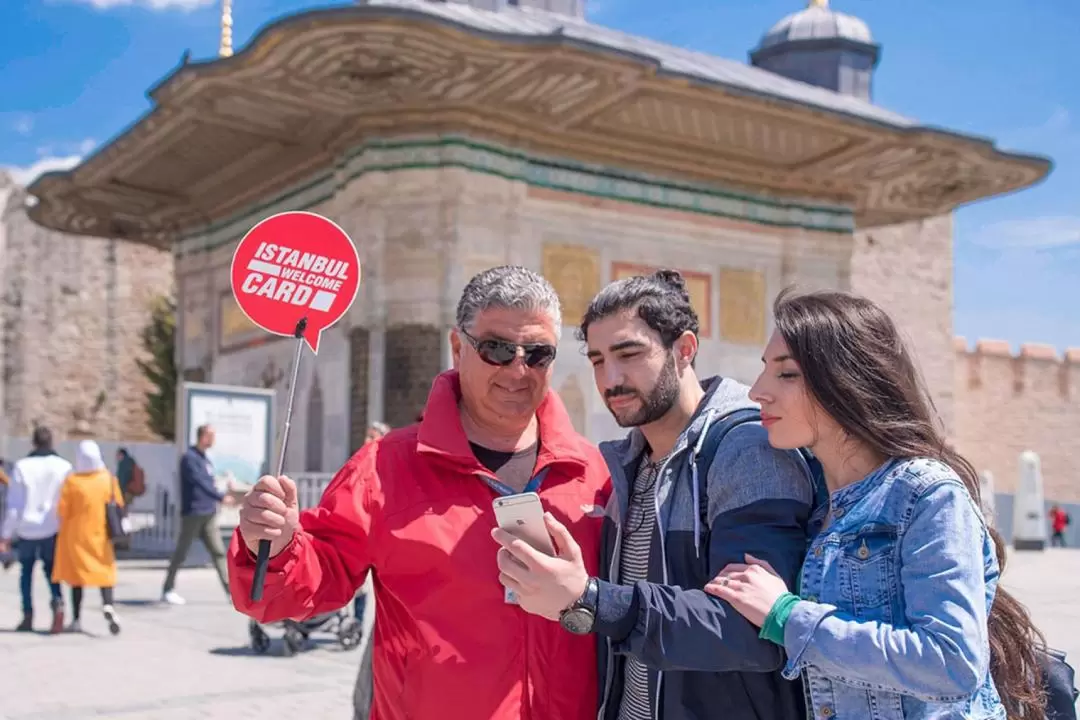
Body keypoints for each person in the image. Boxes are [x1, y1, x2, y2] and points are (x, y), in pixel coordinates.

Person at [229, 266, 611, 720]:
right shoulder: (383, 469)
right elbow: (300, 590)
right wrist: (271, 545)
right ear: (457, 348)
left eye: (538, 354)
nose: (518, 369)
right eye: (497, 349)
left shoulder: (595, 473)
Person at [704, 289, 1048, 719]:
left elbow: (951, 663)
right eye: (764, 372)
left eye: (787, 374)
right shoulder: (813, 500)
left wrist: (787, 615)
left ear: (844, 380)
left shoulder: (927, 494)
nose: (758, 391)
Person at [496, 270, 817, 720]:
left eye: (629, 354)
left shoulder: (746, 449)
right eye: (597, 360)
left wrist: (588, 597)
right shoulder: (627, 465)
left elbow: (752, 631)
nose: (611, 379)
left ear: (684, 350)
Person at [0, 426, 73, 633]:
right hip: (53, 527)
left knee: (26, 574)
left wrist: (5, 535)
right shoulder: (64, 467)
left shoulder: (22, 467)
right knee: (52, 572)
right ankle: (58, 603)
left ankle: (28, 615)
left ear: (33, 443)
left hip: (27, 528)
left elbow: (14, 505)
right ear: (52, 443)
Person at [52, 440, 125, 635]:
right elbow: (118, 503)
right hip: (101, 536)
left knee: (77, 579)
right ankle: (108, 604)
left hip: (76, 537)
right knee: (105, 573)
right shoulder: (108, 479)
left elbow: (62, 510)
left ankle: (76, 619)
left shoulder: (72, 481)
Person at [161, 424, 235, 605]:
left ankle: (230, 592)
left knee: (218, 551)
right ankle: (167, 589)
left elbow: (210, 481)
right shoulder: (189, 458)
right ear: (203, 437)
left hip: (208, 513)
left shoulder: (204, 459)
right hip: (194, 513)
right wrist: (219, 497)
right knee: (182, 552)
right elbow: (200, 483)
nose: (213, 440)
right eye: (211, 436)